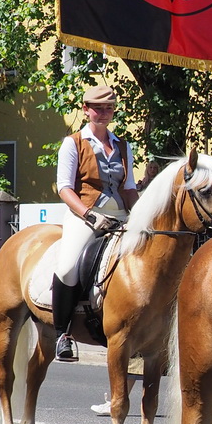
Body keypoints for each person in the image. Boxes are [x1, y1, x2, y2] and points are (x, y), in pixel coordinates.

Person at [51, 83, 140, 363]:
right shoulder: (73, 143)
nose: (103, 113)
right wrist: (89, 215)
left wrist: (140, 217)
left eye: (109, 108)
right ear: (86, 110)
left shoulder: (124, 146)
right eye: (98, 108)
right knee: (67, 268)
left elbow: (128, 188)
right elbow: (64, 188)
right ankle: (62, 334)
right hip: (86, 215)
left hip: (121, 216)